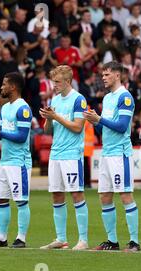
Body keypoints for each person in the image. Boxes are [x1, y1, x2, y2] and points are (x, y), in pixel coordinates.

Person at [83, 61, 141, 252]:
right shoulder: (107, 98)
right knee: (105, 196)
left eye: (107, 74)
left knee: (125, 195)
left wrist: (100, 119)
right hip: (107, 153)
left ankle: (134, 242)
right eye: (103, 74)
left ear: (118, 75)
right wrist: (94, 121)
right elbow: (105, 127)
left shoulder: (125, 97)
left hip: (120, 153)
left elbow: (123, 126)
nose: (103, 78)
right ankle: (112, 241)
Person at [39, 65, 89, 251]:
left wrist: (56, 116)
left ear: (68, 81)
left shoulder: (79, 99)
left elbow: (77, 127)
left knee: (76, 194)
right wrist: (49, 119)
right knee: (57, 194)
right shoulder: (55, 99)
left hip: (71, 155)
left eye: (58, 82)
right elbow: (47, 131)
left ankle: (83, 240)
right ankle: (61, 238)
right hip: (56, 153)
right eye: (54, 82)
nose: (54, 86)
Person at [0, 72, 32, 248]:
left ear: (13, 87)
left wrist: (0, 133)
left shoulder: (23, 108)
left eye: (4, 84)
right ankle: (1, 238)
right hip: (5, 161)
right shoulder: (5, 108)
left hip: (19, 163)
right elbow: (6, 136)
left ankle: (21, 238)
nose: (1, 87)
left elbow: (22, 136)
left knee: (21, 201)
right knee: (1, 199)